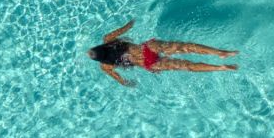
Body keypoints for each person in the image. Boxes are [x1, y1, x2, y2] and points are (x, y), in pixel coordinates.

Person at [87, 19, 238, 86]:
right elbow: (126, 27)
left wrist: (126, 83)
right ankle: (220, 53)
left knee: (187, 66)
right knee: (187, 47)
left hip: (148, 63)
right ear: (99, 47)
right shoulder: (108, 39)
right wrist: (132, 21)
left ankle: (220, 68)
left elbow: (120, 80)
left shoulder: (105, 67)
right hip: (148, 48)